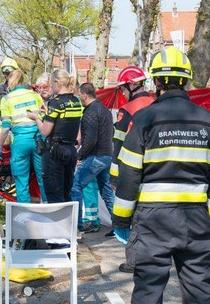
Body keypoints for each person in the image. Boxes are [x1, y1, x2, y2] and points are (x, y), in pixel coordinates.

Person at [113, 46, 210, 304]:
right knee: (199, 290)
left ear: (157, 82)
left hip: (153, 222)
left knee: (149, 290)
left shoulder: (145, 119)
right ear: (187, 82)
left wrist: (121, 221)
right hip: (197, 222)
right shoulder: (209, 121)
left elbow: (128, 175)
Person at [27, 69, 82, 203]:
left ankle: (57, 223)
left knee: (54, 193)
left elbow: (45, 131)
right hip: (71, 150)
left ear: (57, 83)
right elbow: (77, 131)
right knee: (66, 191)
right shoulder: (76, 101)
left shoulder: (55, 103)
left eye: (51, 84)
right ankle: (69, 223)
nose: (51, 87)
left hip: (55, 153)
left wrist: (36, 118)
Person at [70, 83, 115, 233]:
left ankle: (76, 226)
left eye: (79, 96)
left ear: (84, 95)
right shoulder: (104, 110)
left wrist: (79, 155)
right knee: (107, 191)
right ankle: (120, 226)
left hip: (95, 156)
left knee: (76, 186)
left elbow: (90, 140)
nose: (79, 99)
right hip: (107, 155)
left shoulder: (89, 112)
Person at [0, 69, 46, 203]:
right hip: (38, 139)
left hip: (20, 141)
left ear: (9, 81)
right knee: (42, 177)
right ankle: (48, 211)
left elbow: (6, 127)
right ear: (23, 80)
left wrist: (0, 147)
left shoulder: (6, 99)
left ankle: (24, 214)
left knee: (21, 179)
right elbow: (43, 114)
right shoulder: (34, 95)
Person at [110, 66, 155, 180]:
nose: (123, 94)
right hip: (155, 165)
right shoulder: (156, 104)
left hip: (133, 167)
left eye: (123, 89)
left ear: (132, 85)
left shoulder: (127, 109)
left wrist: (114, 177)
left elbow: (119, 144)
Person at [0, 58, 20, 122]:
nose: (8, 75)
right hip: (6, 126)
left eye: (10, 73)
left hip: (21, 126)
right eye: (5, 73)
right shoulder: (1, 89)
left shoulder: (24, 88)